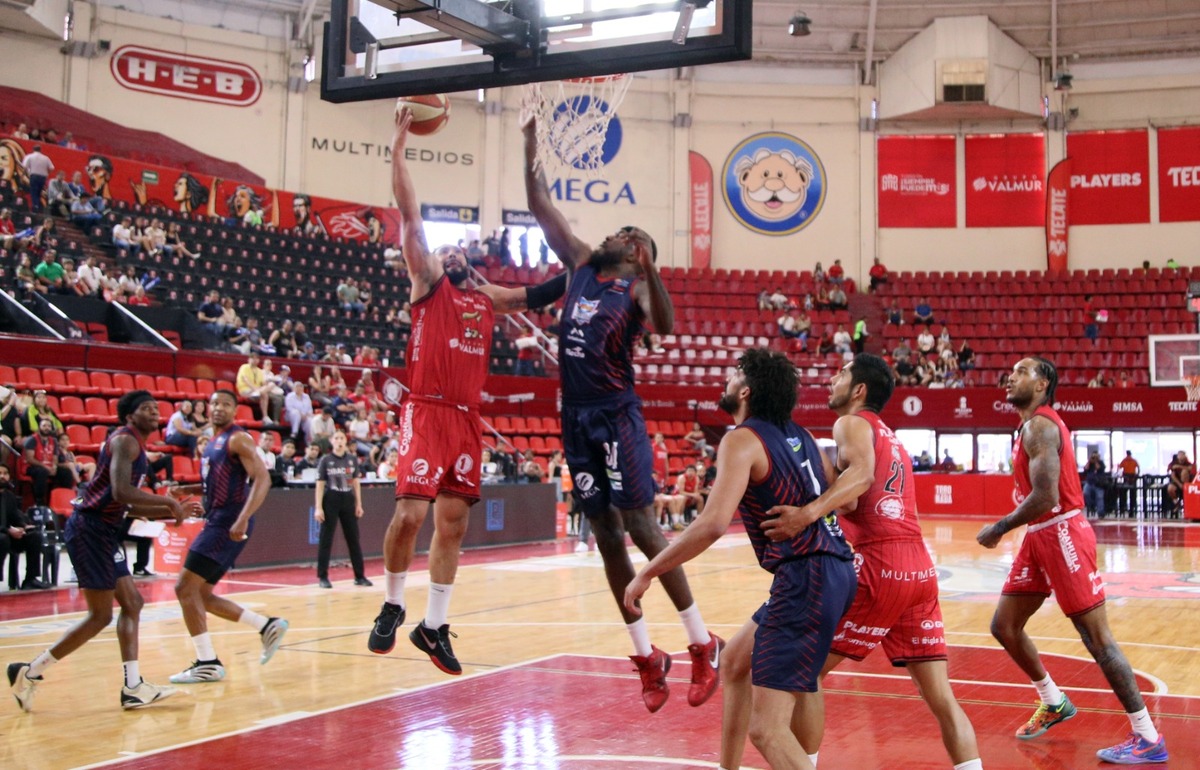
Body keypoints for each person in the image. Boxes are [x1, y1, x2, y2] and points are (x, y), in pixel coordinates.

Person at [523, 109, 721, 711]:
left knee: (640, 525)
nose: (621, 233)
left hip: (616, 413)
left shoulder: (637, 289)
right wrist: (530, 142)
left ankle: (699, 643)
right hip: (575, 417)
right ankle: (646, 657)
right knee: (604, 535)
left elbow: (666, 322)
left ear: (641, 258)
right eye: (622, 230)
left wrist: (654, 269)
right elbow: (540, 206)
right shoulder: (583, 264)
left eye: (635, 236)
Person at [365, 107, 567, 676]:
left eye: (463, 253)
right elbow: (408, 214)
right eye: (449, 250)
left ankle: (433, 626)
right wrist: (399, 148)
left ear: (472, 266)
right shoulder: (427, 284)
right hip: (426, 411)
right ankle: (392, 605)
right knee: (409, 515)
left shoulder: (488, 299)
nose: (455, 254)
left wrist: (585, 265)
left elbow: (541, 293)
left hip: (466, 419)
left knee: (453, 524)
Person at [624, 348, 856, 770]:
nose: (726, 381)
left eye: (733, 375)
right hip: (834, 570)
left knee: (767, 730)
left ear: (745, 389)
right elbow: (847, 497)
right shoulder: (802, 436)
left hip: (806, 575)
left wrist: (649, 571)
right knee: (733, 661)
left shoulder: (741, 438)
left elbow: (712, 524)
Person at [762, 354, 982, 770]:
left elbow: (860, 479)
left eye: (841, 373)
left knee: (804, 670)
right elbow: (859, 494)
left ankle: (802, 764)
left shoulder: (851, 423)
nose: (832, 378)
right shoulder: (891, 437)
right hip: (919, 565)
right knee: (943, 699)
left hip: (881, 560)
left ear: (859, 390)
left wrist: (804, 515)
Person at [976, 357, 1168, 764]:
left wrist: (1000, 527)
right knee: (1004, 626)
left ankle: (1147, 736)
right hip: (1041, 535)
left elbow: (1046, 497)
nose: (1011, 377)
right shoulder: (1029, 426)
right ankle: (1054, 700)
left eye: (1023, 372)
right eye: (1011, 371)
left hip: (1061, 531)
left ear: (1043, 384)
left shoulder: (1041, 426)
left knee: (1097, 639)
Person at [7, 391, 195, 712]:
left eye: (156, 408)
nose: (154, 412)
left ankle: (133, 686)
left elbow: (126, 501)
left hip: (103, 530)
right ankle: (30, 672)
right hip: (90, 529)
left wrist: (171, 511)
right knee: (100, 615)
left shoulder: (133, 443)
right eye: (145, 409)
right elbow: (123, 491)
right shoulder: (125, 441)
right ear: (129, 416)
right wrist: (168, 502)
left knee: (133, 602)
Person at [167, 390, 289, 685]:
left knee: (185, 587)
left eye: (225, 404)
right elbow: (219, 483)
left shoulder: (238, 438)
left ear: (235, 410)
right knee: (201, 595)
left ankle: (207, 662)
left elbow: (262, 478)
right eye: (214, 403)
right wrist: (190, 490)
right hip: (218, 519)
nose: (218, 407)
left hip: (227, 522)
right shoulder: (211, 443)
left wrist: (243, 516)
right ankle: (266, 625)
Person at [315, 430, 370, 589]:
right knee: (326, 538)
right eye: (336, 438)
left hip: (347, 498)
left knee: (353, 538)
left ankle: (359, 576)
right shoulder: (326, 460)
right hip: (331, 498)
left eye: (342, 438)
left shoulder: (352, 460)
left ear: (346, 442)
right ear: (332, 441)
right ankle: (323, 576)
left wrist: (359, 504)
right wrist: (318, 507)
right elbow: (320, 484)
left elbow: (356, 482)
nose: (339, 441)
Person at [0, 465, 48, 590]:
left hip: (8, 535)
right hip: (3, 535)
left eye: (5, 473)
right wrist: (7, 530)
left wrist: (24, 526)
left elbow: (15, 515)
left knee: (34, 536)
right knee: (2, 539)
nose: (2, 476)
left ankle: (30, 579)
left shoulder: (9, 496)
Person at [20, 416, 74, 506]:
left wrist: (54, 466)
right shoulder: (32, 439)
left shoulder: (54, 441)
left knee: (66, 472)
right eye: (44, 426)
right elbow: (30, 458)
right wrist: (45, 467)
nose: (47, 428)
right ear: (39, 427)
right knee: (42, 472)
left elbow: (55, 457)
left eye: (49, 426)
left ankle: (64, 500)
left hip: (48, 466)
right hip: (31, 467)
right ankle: (39, 501)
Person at [1083, 451, 1109, 517]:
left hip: (1098, 483)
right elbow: (1085, 469)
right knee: (1085, 493)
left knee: (1099, 497)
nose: (1094, 458)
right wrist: (1089, 461)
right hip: (1089, 482)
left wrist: (1096, 461)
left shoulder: (1101, 463)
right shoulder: (1089, 463)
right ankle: (1091, 505)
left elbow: (1099, 468)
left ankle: (1100, 512)